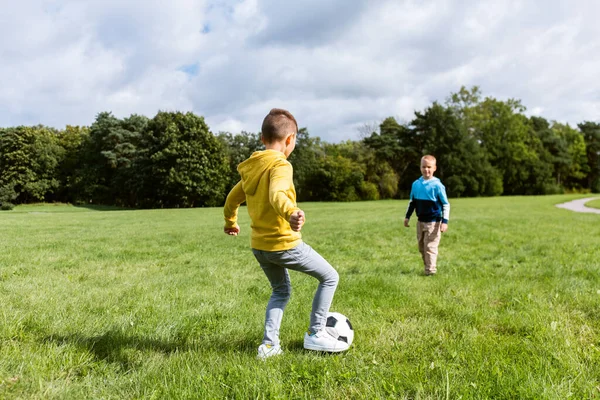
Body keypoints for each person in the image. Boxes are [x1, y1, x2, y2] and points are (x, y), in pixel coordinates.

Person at [223, 108, 348, 359]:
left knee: (280, 291)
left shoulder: (251, 168)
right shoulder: (281, 164)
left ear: (262, 138)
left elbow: (232, 198)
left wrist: (231, 221)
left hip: (260, 247)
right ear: (289, 140)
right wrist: (290, 212)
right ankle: (316, 333)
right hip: (283, 245)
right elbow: (277, 194)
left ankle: (269, 346)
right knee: (330, 277)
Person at [404, 155, 450, 276]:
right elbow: (412, 203)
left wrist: (445, 222)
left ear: (434, 168)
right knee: (421, 247)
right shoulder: (416, 184)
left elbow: (446, 204)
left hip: (433, 222)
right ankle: (428, 267)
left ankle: (430, 272)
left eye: (429, 167)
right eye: (424, 167)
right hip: (420, 221)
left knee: (430, 247)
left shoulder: (437, 185)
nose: (426, 170)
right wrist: (407, 217)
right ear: (420, 168)